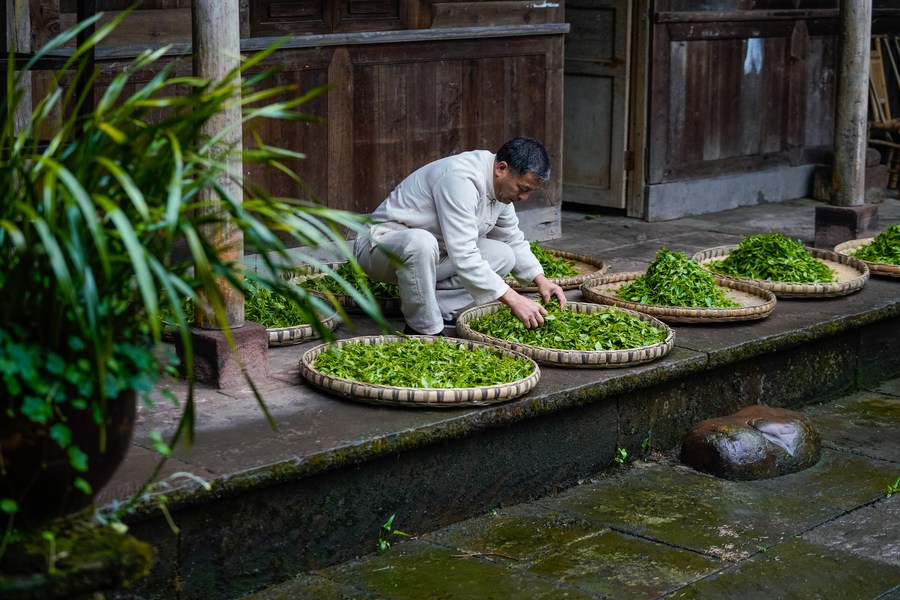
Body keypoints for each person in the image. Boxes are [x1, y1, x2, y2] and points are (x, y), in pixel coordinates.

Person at [353, 136, 567, 336]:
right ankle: (423, 329)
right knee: (420, 243)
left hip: (437, 255)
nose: (524, 197)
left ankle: (433, 308)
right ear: (501, 168)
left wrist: (540, 280)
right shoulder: (461, 178)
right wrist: (514, 299)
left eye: (529, 192)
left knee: (504, 255)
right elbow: (464, 253)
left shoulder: (501, 191)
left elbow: (511, 238)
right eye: (522, 188)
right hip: (381, 248)